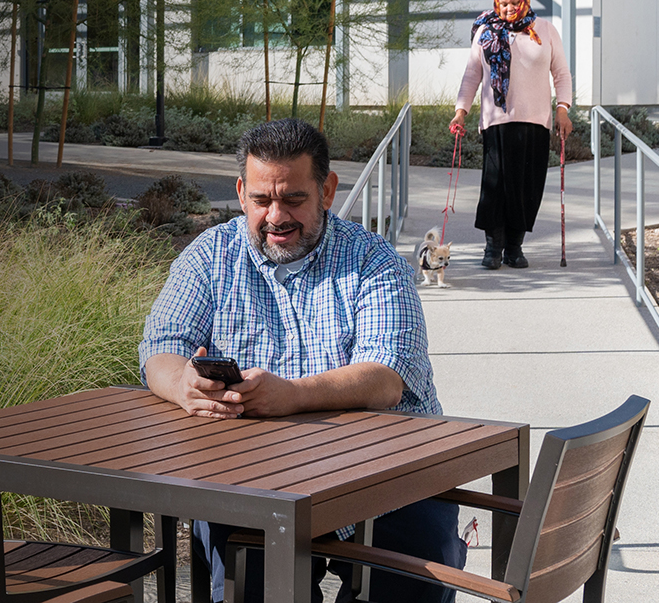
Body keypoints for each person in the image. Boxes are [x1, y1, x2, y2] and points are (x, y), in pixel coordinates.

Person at [140, 118, 464, 603]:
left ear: (328, 191)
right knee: (247, 584)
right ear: (241, 191)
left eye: (293, 199)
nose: (275, 216)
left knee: (414, 578)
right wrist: (183, 383)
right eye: (261, 200)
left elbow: (386, 378)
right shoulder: (210, 256)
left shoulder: (374, 260)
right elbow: (159, 347)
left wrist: (292, 395)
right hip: (253, 478)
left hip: (390, 476)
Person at [451, 0, 573, 270]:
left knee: (526, 187)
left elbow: (562, 74)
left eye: (514, 3)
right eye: (503, 3)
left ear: (524, 1)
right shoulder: (485, 31)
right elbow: (472, 75)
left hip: (536, 122)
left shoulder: (544, 30)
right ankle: (493, 248)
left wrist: (563, 110)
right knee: (495, 187)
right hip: (497, 121)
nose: (508, 8)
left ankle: (514, 248)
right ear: (497, 2)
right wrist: (460, 111)